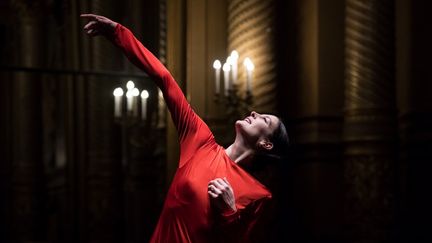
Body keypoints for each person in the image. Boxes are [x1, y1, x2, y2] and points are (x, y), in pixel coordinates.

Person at [81, 13, 289, 243]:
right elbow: (165, 79)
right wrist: (119, 32)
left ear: (265, 143)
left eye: (265, 120)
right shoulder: (200, 142)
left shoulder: (259, 197)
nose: (254, 113)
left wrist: (230, 211)